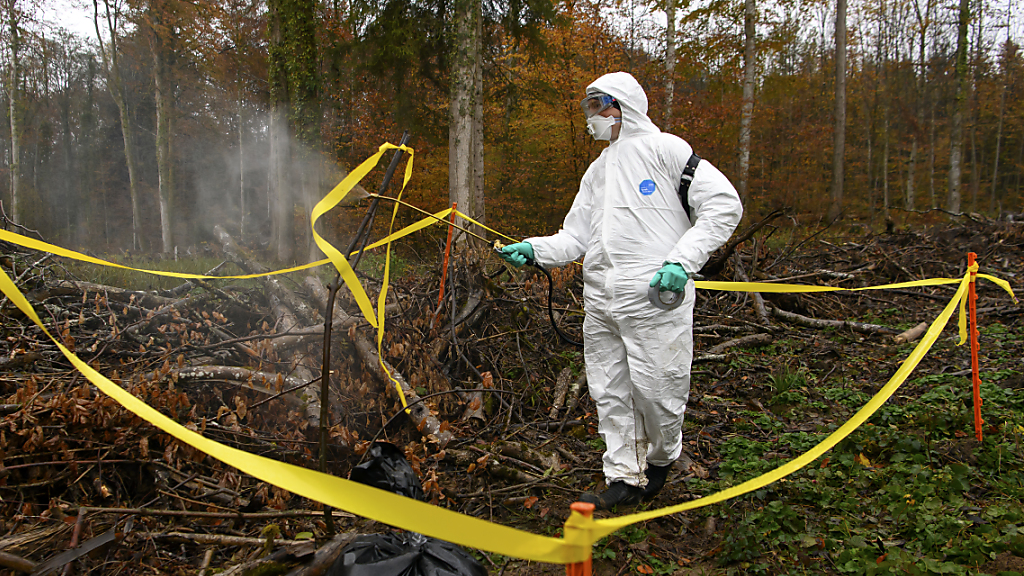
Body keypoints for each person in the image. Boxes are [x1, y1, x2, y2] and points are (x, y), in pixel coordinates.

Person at [499, 72, 743, 510]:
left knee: (658, 389)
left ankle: (663, 456)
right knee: (609, 389)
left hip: (654, 297)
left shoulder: (666, 150)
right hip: (602, 299)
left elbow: (723, 205)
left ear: (623, 105)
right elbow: (575, 237)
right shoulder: (597, 171)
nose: (593, 117)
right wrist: (534, 250)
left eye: (599, 106)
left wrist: (681, 262)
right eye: (589, 108)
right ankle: (624, 477)